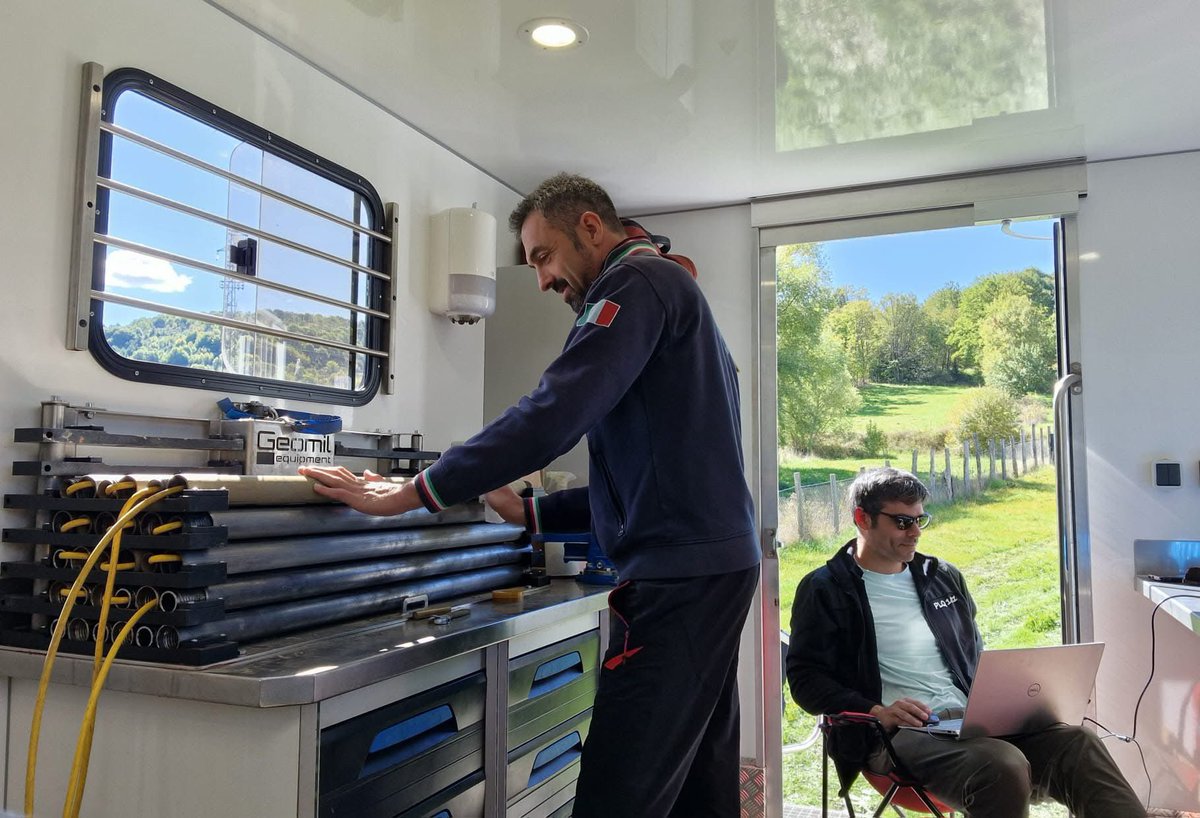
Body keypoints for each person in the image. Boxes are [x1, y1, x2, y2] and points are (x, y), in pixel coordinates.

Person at [302, 172, 760, 817]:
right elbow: (653, 477)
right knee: (696, 785)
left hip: (678, 580)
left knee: (619, 790)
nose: (541, 280)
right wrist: (530, 511)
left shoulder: (636, 282)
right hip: (707, 567)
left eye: (544, 256)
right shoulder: (667, 287)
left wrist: (411, 493)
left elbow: (552, 413)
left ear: (591, 228)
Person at [786, 467, 1144, 818]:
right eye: (902, 522)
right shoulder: (826, 589)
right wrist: (877, 711)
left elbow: (972, 655)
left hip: (970, 723)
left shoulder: (942, 577)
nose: (915, 532)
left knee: (1079, 743)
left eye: (920, 520)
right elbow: (805, 680)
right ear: (862, 519)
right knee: (1001, 764)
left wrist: (1018, 698)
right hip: (895, 735)